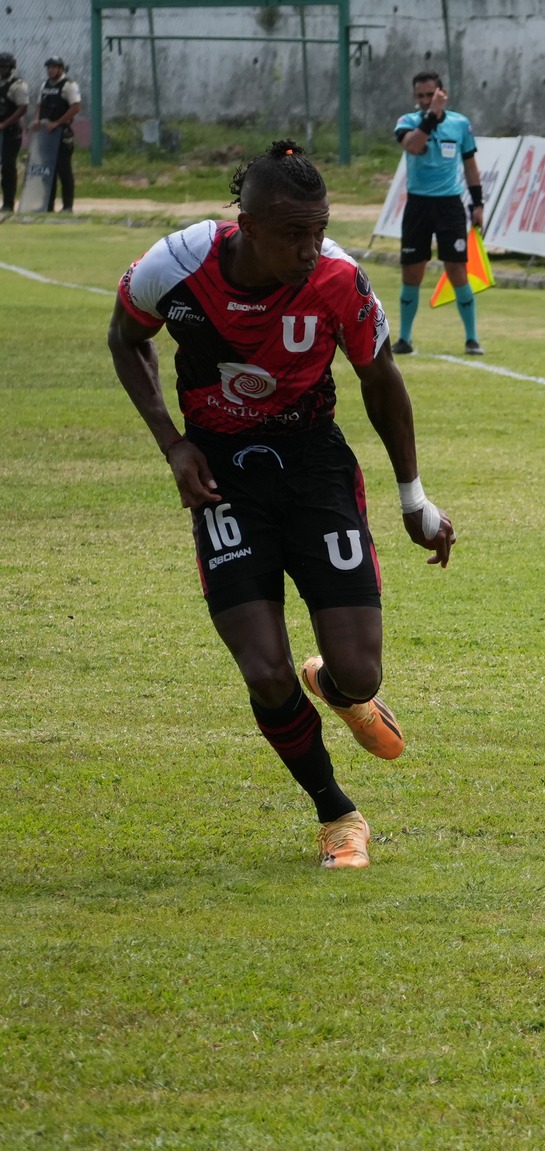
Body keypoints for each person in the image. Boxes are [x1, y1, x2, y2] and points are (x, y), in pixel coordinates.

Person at [106, 139, 457, 869]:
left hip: (313, 464)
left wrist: (414, 498)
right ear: (249, 225)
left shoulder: (338, 278)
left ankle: (335, 686)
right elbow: (125, 336)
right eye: (294, 233)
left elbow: (379, 376)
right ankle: (337, 814)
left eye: (319, 229)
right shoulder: (177, 265)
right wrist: (174, 445)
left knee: (361, 672)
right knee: (263, 670)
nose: (310, 246)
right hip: (222, 472)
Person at [391, 71, 484, 355]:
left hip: (449, 205)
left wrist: (477, 204)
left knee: (457, 269)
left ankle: (472, 338)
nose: (423, 101)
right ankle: (405, 339)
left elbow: (470, 165)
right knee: (412, 272)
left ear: (442, 93)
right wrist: (431, 115)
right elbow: (414, 146)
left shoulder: (460, 124)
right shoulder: (408, 122)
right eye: (419, 96)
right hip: (418, 205)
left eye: (429, 95)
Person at [28, 56, 80, 213]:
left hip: (61, 132)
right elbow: (39, 105)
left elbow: (76, 107)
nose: (51, 70)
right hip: (46, 133)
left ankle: (67, 206)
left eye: (54, 67)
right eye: (49, 67)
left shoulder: (69, 85)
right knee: (46, 171)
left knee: (64, 170)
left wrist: (57, 123)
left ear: (61, 68)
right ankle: (47, 205)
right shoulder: (44, 85)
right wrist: (37, 120)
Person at [0, 54, 28, 213]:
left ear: (11, 68)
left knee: (8, 167)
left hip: (11, 131)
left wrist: (5, 124)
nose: (2, 70)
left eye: (4, 67)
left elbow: (22, 108)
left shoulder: (18, 85)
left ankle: (8, 203)